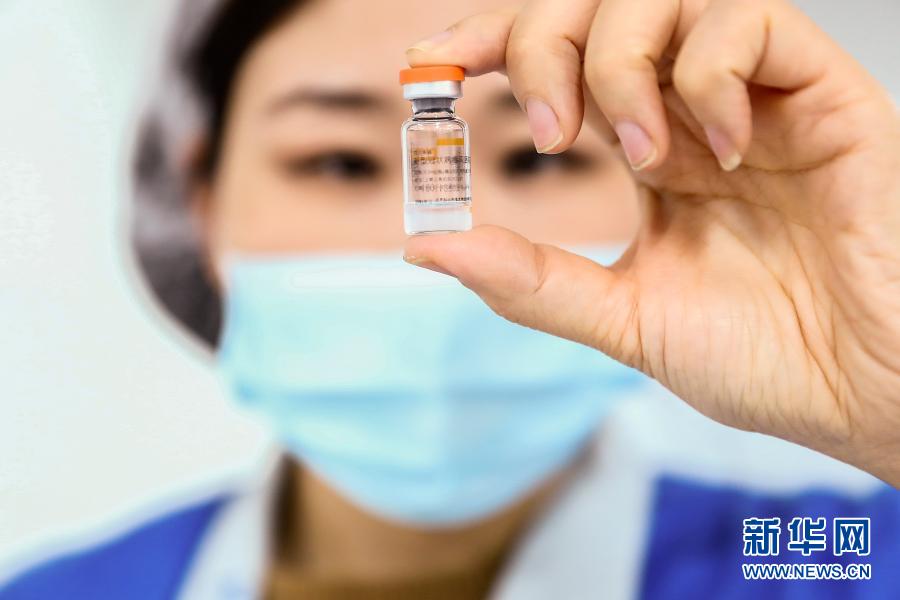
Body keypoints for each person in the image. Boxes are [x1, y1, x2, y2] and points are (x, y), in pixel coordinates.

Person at [1, 0, 898, 599]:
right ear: (199, 205)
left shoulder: (827, 562)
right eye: (337, 161)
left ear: (654, 183)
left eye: (539, 157)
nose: (452, 250)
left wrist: (885, 395)